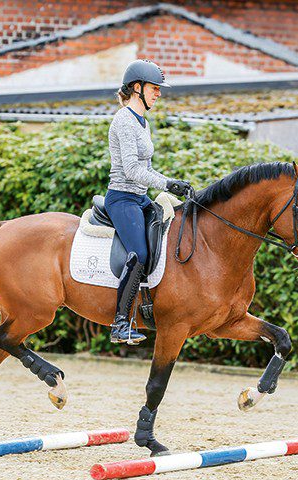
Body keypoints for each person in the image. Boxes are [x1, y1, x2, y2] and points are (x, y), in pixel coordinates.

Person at [106, 59, 192, 345]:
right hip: (122, 198)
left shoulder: (143, 123)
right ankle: (120, 324)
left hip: (140, 197)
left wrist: (174, 183)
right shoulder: (124, 120)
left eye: (158, 89)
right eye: (155, 88)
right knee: (139, 254)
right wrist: (167, 184)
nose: (159, 93)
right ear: (137, 88)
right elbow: (131, 170)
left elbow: (148, 170)